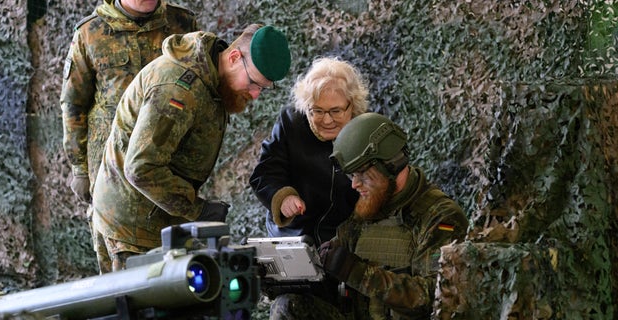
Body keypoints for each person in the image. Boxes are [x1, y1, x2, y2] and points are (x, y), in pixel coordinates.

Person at [91, 24, 291, 273]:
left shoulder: (212, 79)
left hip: (157, 219)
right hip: (131, 228)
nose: (255, 94)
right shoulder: (177, 89)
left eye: (262, 88)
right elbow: (142, 168)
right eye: (253, 83)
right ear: (234, 57)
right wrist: (198, 209)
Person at [270, 113, 469, 319]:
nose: (355, 184)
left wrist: (358, 273)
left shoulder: (441, 217)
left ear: (391, 164)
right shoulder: (370, 207)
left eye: (362, 173)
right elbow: (337, 268)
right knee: (288, 305)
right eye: (351, 175)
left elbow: (437, 297)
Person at [60, 0, 198, 272]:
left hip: (167, 170)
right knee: (118, 278)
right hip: (111, 173)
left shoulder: (182, 25)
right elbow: (74, 103)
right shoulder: (91, 32)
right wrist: (79, 168)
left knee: (175, 270)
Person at [249, 57, 369, 247]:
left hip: (343, 240)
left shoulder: (366, 132)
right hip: (292, 236)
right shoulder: (291, 123)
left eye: (336, 111)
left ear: (352, 106)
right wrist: (283, 198)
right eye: (318, 111)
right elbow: (265, 173)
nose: (327, 120)